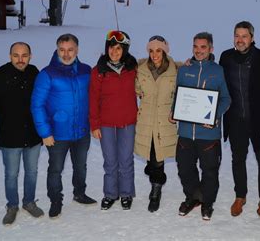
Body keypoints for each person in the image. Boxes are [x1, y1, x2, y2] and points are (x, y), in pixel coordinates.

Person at [31, 33, 96, 219]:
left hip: (82, 131)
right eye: (62, 50)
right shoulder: (47, 74)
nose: (66, 54)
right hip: (57, 134)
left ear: (77, 50)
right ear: (57, 49)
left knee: (81, 166)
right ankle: (55, 200)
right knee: (55, 169)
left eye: (70, 50)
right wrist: (45, 132)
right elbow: (37, 105)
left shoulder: (86, 71)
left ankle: (79, 193)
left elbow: (95, 96)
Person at [220, 21, 260, 219]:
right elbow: (217, 81)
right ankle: (240, 196)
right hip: (236, 119)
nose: (240, 39)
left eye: (244, 36)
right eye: (237, 35)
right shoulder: (226, 57)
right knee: (238, 159)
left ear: (252, 38)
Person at [170, 32, 231, 221]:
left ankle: (207, 202)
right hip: (186, 132)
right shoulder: (184, 70)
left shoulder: (218, 70)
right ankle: (193, 197)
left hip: (208, 133)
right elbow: (178, 96)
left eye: (203, 47)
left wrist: (214, 115)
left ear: (211, 49)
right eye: (195, 47)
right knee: (184, 168)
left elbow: (226, 98)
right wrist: (174, 111)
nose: (199, 50)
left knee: (210, 170)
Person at [0, 42, 44, 225]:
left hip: (33, 137)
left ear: (30, 56)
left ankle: (29, 202)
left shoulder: (34, 73)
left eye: (24, 55)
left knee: (32, 172)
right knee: (11, 174)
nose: (20, 60)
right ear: (9, 56)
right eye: (16, 55)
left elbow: (43, 102)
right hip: (10, 137)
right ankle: (12, 205)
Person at [89, 30, 138, 210]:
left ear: (124, 50)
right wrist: (94, 124)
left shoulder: (133, 68)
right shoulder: (98, 71)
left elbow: (155, 68)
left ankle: (126, 193)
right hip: (106, 123)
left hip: (127, 121)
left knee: (126, 159)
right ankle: (110, 194)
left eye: (118, 48)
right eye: (111, 48)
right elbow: (93, 99)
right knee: (110, 161)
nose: (114, 52)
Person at [135, 35, 178, 212]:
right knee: (151, 155)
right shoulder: (141, 69)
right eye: (151, 51)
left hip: (164, 121)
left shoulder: (175, 70)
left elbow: (179, 93)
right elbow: (136, 89)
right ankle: (153, 172)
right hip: (145, 121)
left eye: (158, 50)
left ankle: (156, 190)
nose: (155, 54)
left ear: (165, 51)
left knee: (157, 158)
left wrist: (176, 110)